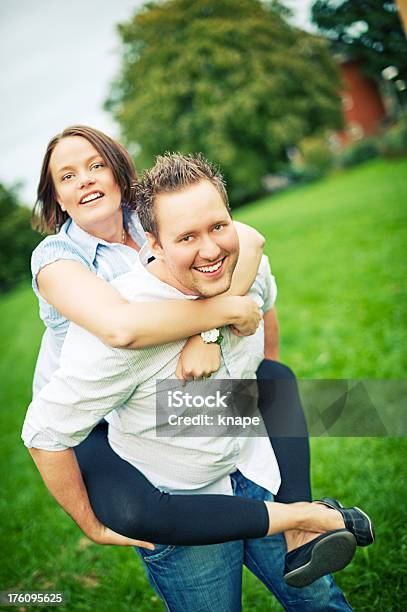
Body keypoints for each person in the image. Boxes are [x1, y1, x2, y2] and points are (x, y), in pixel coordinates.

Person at [22, 151, 374, 610]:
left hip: (255, 470)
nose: (210, 250)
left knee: (321, 604)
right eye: (187, 237)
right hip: (182, 504)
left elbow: (265, 329)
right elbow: (44, 431)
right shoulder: (110, 322)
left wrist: (256, 393)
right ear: (154, 245)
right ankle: (308, 516)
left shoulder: (245, 269)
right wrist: (90, 522)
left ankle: (302, 522)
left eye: (218, 228)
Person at [27, 124, 311, 552]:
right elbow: (120, 327)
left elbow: (248, 239)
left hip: (155, 396)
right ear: (58, 199)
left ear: (121, 174)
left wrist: (209, 336)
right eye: (67, 176)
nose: (84, 178)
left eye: (96, 165)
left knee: (275, 380)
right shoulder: (54, 258)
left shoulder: (148, 224)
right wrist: (220, 313)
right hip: (94, 416)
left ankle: (299, 526)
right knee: (141, 512)